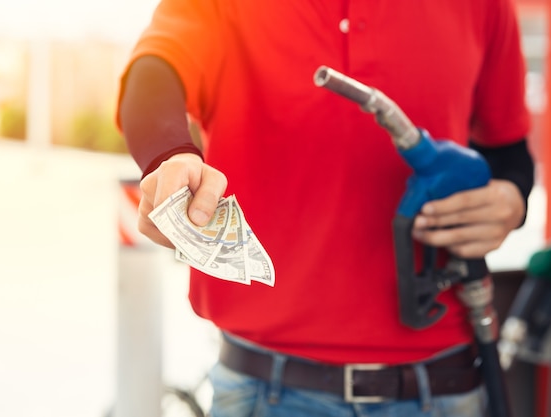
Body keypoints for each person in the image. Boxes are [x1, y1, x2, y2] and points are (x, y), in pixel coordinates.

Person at [116, 1, 535, 416]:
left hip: (444, 386)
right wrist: (170, 155)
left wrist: (511, 200)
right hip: (266, 389)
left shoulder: (484, 6)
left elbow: (509, 151)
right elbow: (154, 71)